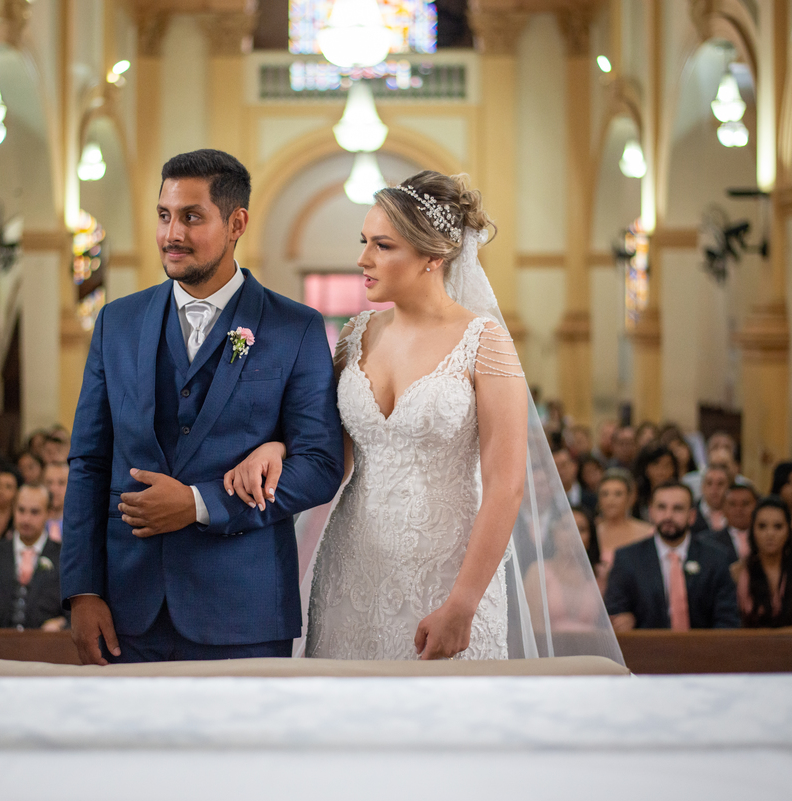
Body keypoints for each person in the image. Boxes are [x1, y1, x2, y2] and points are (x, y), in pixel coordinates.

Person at [228, 169, 620, 664]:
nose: (362, 258)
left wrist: (463, 602)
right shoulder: (356, 334)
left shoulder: (485, 342)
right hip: (354, 562)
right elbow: (329, 449)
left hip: (449, 569)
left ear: (433, 256)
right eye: (364, 241)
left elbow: (506, 486)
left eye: (383, 246)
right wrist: (277, 445)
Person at [62, 149, 345, 664]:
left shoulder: (295, 328)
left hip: (244, 610)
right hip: (128, 611)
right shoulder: (116, 324)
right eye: (165, 215)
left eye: (192, 217)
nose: (173, 234)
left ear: (236, 223)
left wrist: (199, 503)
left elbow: (320, 466)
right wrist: (82, 591)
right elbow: (89, 461)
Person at [604, 482, 740, 630]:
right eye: (662, 507)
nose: (668, 516)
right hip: (646, 650)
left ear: (692, 516)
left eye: (678, 509)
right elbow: (615, 610)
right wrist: (622, 620)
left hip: (703, 650)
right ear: (651, 512)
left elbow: (727, 618)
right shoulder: (627, 558)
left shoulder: (715, 558)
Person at [0, 484, 67, 630]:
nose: (26, 519)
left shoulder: (63, 556)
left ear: (48, 513)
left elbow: (72, 611)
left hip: (47, 646)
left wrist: (60, 624)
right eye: (21, 510)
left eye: (35, 512)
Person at [734, 496, 792, 629]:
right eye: (762, 526)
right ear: (752, 531)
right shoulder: (736, 572)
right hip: (747, 648)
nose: (770, 533)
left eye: (778, 526)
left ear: (788, 531)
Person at [594, 469, 653, 573]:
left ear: (630, 498)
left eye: (618, 494)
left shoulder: (648, 532)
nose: (610, 499)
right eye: (605, 494)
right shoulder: (592, 532)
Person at [703, 481, 758, 561]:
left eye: (745, 504)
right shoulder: (708, 542)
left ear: (756, 506)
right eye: (732, 504)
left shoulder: (766, 539)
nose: (739, 509)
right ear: (723, 508)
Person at [632, 443, 678, 521]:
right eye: (656, 465)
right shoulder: (636, 496)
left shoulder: (680, 494)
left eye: (667, 465)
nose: (661, 471)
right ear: (646, 468)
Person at [554, 443, 596, 513]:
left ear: (574, 466)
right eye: (555, 467)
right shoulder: (549, 502)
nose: (560, 471)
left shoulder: (591, 498)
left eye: (564, 465)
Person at [692, 464, 730, 534]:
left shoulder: (736, 513)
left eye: (720, 484)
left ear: (728, 487)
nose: (714, 489)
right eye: (709, 483)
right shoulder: (691, 512)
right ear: (702, 487)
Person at [42, 460, 68, 542]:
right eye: (49, 483)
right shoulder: (31, 521)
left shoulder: (79, 524)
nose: (54, 489)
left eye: (61, 483)